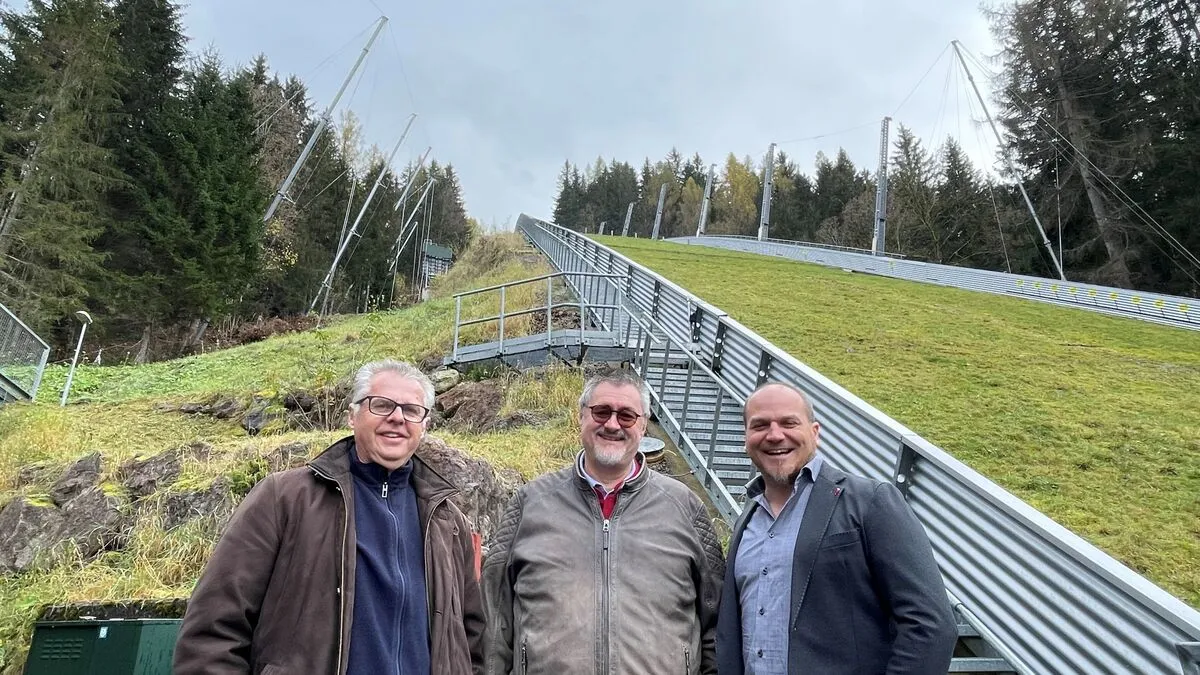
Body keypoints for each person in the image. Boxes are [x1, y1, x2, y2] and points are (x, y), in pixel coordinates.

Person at [174, 359, 485, 675]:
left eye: (411, 410)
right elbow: (214, 627)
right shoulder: (284, 498)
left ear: (425, 424)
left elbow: (472, 642)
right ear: (353, 416)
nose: (397, 418)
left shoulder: (449, 523)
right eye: (382, 405)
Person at [483, 369, 725, 674]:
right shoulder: (530, 503)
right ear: (581, 417)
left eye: (626, 415)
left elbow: (717, 625)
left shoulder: (685, 507)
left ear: (644, 426)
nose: (612, 424)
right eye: (601, 412)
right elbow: (495, 621)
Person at [715, 382, 958, 675]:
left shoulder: (870, 501)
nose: (775, 435)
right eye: (760, 425)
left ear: (814, 433)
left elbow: (930, 625)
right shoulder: (747, 521)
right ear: (746, 438)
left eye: (789, 423)